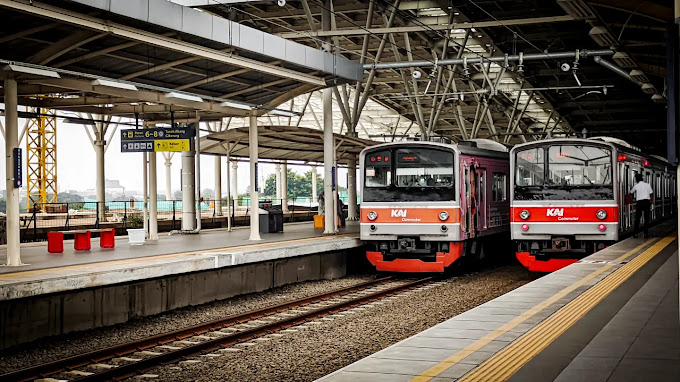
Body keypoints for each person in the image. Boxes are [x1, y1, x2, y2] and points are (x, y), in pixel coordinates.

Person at [630, 174, 653, 238]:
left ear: (637, 179)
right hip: (647, 202)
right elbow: (651, 194)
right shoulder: (648, 185)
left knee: (637, 218)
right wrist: (652, 203)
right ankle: (645, 234)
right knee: (646, 218)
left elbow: (631, 192)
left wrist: (632, 201)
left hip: (639, 203)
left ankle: (636, 233)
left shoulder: (636, 186)